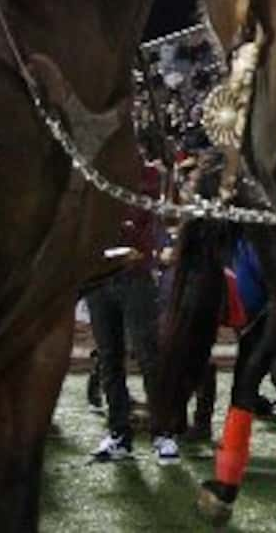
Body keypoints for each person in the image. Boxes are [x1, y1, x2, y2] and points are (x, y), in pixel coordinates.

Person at [85, 159, 178, 463]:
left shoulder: (145, 172)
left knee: (148, 355)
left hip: (135, 276)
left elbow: (141, 213)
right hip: (99, 277)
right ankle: (119, 434)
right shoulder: (91, 169)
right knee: (109, 358)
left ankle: (162, 433)